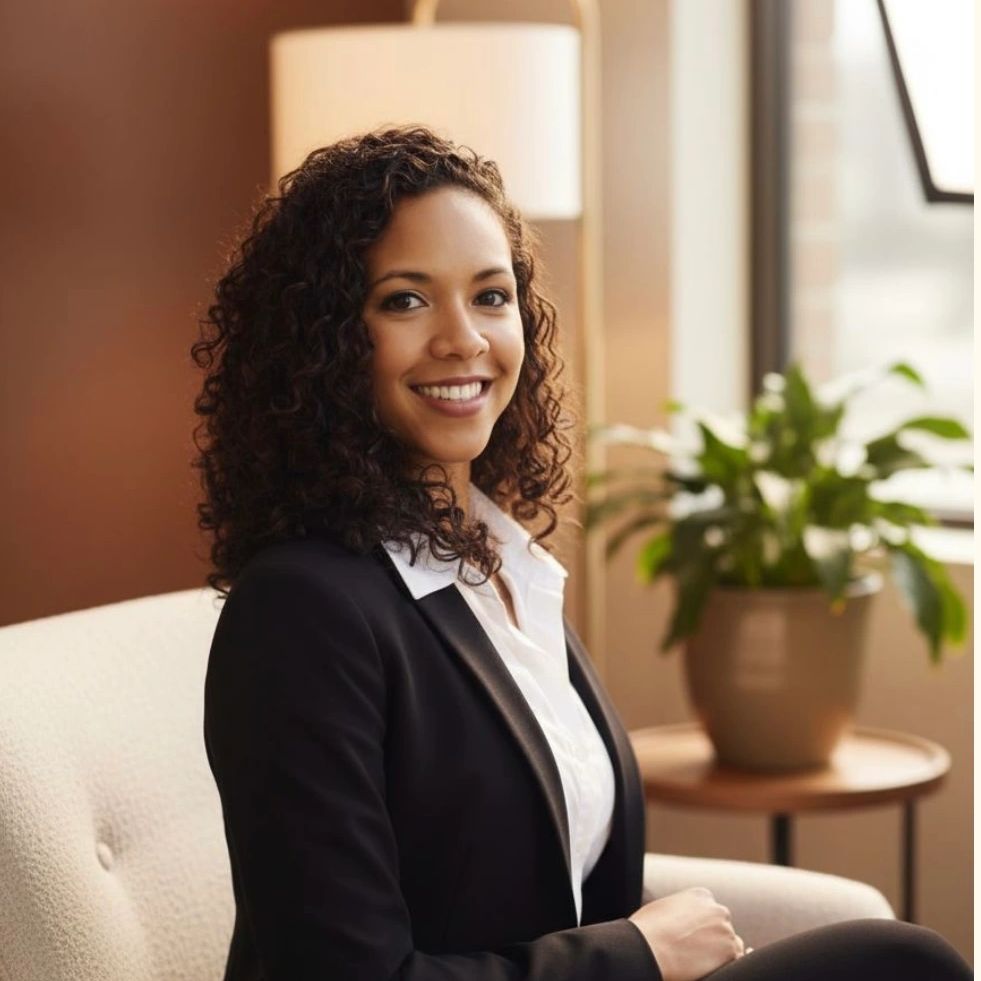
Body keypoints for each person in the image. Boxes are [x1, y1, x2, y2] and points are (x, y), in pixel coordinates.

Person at [192, 125, 972, 981]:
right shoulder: (301, 611)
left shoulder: (506, 570)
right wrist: (634, 953)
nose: (463, 339)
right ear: (322, 339)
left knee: (898, 960)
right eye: (405, 300)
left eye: (490, 296)